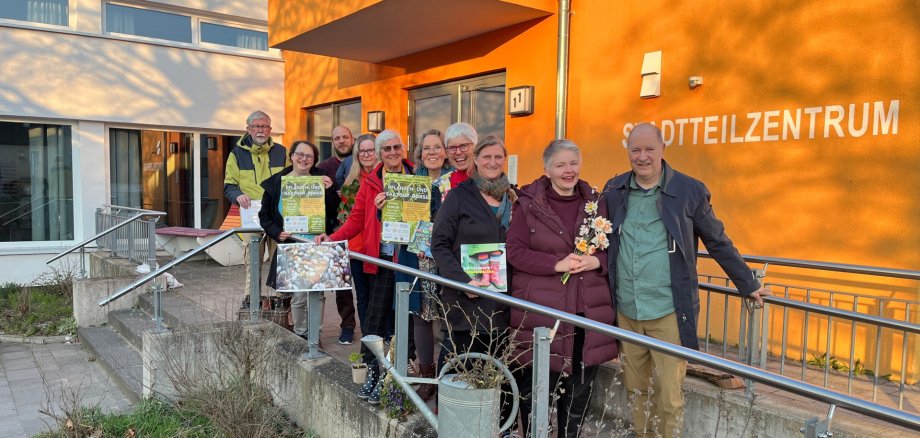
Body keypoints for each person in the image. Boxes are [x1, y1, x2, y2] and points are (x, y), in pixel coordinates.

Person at [601, 123, 771, 437]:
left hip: (667, 310)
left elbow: (717, 241)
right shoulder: (614, 189)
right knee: (636, 392)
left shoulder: (689, 190)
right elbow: (599, 238)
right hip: (627, 309)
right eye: (635, 150)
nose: (642, 157)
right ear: (628, 152)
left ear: (662, 149)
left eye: (649, 149)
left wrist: (747, 282)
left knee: (668, 395)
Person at [506, 139, 617, 437]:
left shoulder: (596, 202)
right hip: (544, 311)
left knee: (579, 388)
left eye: (573, 163)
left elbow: (613, 247)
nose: (568, 171)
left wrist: (597, 262)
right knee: (537, 386)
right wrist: (556, 264)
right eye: (560, 164)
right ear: (547, 169)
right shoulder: (529, 204)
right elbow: (514, 252)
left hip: (586, 310)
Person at [316, 129, 413, 405]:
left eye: (396, 147)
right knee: (374, 322)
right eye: (387, 149)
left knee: (403, 325)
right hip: (382, 261)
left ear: (403, 150)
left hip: (408, 262)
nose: (392, 153)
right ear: (380, 154)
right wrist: (331, 238)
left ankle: (396, 381)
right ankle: (373, 372)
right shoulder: (371, 182)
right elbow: (356, 220)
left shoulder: (416, 178)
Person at [431, 135, 516, 414]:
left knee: (497, 370)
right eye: (487, 157)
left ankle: (495, 425)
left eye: (498, 157)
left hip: (502, 299)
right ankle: (452, 421)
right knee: (460, 367)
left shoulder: (514, 197)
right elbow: (439, 245)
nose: (493, 162)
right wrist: (463, 282)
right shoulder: (459, 196)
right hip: (465, 300)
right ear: (476, 160)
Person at [258, 140, 338, 343]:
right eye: (299, 154)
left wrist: (329, 191)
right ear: (292, 156)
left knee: (317, 295)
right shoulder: (277, 182)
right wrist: (277, 232)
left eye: (309, 156)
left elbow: (334, 212)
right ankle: (302, 334)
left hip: (316, 245)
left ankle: (315, 335)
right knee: (300, 295)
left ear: (314, 160)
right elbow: (264, 215)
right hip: (292, 245)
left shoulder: (322, 180)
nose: (304, 159)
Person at [394, 129, 452, 401]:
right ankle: (427, 376)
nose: (432, 152)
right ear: (419, 154)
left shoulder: (458, 182)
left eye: (437, 147)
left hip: (451, 258)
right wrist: (385, 207)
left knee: (453, 317)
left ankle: (450, 374)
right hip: (420, 257)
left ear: (446, 151)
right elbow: (397, 223)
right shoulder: (408, 184)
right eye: (426, 148)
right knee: (422, 316)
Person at [224, 110, 288, 295]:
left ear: (270, 129)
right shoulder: (236, 154)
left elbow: (292, 180)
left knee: (281, 261)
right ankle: (251, 304)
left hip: (277, 217)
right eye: (257, 126)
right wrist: (237, 195)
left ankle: (280, 304)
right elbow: (229, 185)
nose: (261, 130)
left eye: (265, 126)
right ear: (248, 129)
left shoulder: (282, 152)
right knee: (253, 263)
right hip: (252, 217)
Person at [314, 125, 358, 343]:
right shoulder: (324, 167)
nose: (341, 141)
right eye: (336, 138)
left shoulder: (364, 161)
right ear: (332, 142)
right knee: (342, 284)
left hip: (363, 230)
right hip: (335, 231)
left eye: (345, 137)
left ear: (353, 139)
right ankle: (347, 325)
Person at [337, 133, 378, 338]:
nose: (367, 154)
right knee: (362, 294)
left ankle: (382, 332)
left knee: (378, 295)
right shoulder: (352, 180)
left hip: (378, 246)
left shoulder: (385, 176)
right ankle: (367, 334)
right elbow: (346, 218)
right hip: (356, 247)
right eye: (362, 151)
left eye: (371, 150)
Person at [442, 122, 478, 194]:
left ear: (475, 147)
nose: (458, 152)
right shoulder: (441, 185)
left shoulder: (487, 181)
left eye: (463, 146)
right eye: (452, 148)